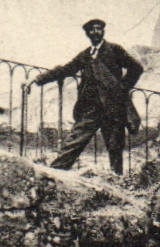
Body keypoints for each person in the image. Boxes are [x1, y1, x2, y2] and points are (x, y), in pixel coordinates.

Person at [25, 19, 143, 175]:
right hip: (91, 108)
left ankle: (116, 179)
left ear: (103, 31)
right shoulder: (85, 55)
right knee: (75, 141)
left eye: (98, 29)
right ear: (87, 34)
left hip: (113, 108)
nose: (95, 32)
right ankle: (53, 174)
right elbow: (65, 69)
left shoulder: (114, 50)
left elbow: (136, 68)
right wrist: (37, 79)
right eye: (92, 30)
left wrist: (122, 88)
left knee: (115, 147)